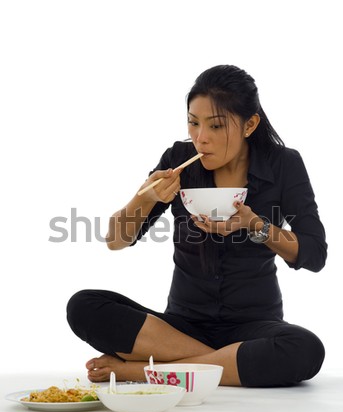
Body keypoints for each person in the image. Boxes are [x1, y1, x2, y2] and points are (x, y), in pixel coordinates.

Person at [67, 65, 327, 387]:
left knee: (305, 349)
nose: (200, 138)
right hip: (180, 329)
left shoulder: (284, 163)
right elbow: (115, 240)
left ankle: (145, 372)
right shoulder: (178, 158)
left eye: (216, 126)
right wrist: (143, 199)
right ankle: (219, 366)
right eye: (193, 123)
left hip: (254, 327)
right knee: (84, 306)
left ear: (250, 124)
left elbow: (315, 254)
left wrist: (255, 226)